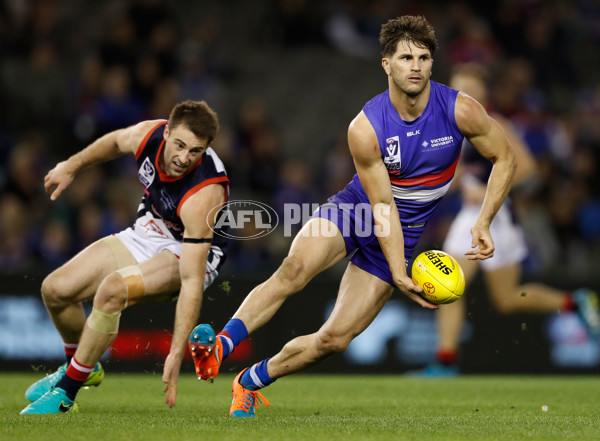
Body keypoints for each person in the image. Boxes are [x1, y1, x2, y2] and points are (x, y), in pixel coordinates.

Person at [189, 14, 516, 418]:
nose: (415, 66)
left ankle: (250, 382)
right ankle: (220, 346)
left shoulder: (460, 111)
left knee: (334, 341)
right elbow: (381, 206)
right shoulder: (366, 127)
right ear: (386, 64)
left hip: (403, 232)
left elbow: (504, 157)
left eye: (424, 58)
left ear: (433, 63)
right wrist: (400, 269)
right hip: (357, 211)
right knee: (293, 269)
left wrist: (483, 220)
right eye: (405, 57)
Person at [21, 100, 230, 414]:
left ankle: (66, 394)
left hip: (190, 251)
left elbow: (191, 279)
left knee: (112, 290)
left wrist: (175, 354)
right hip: (149, 229)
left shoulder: (204, 194)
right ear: (167, 131)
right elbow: (115, 142)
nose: (184, 158)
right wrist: (71, 165)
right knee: (56, 290)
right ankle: (83, 367)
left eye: (195, 151)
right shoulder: (148, 134)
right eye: (180, 145)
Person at [412, 65, 600, 377]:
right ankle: (574, 303)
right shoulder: (448, 126)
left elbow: (525, 168)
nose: (464, 96)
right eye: (459, 89)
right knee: (496, 297)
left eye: (471, 90)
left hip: (494, 214)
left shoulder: (493, 122)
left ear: (483, 96)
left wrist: (488, 190)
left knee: (465, 290)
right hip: (476, 215)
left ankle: (445, 362)